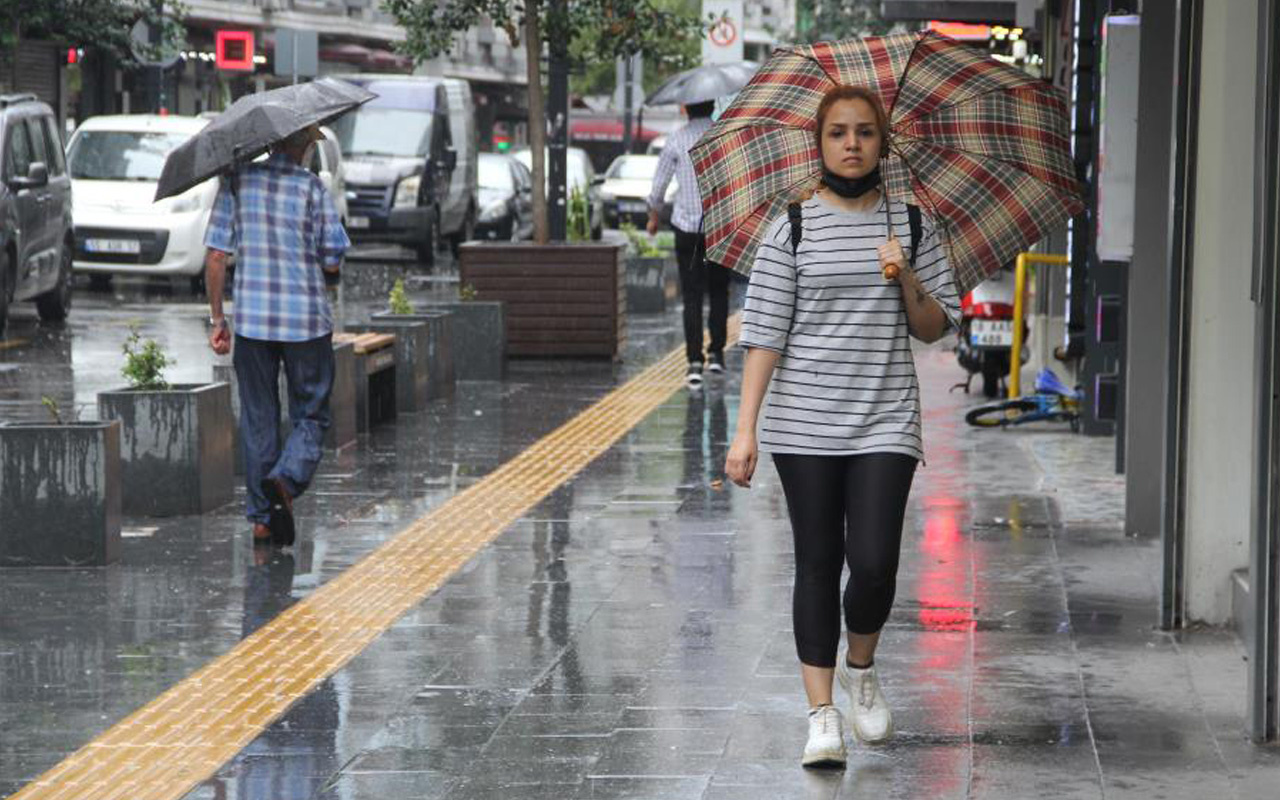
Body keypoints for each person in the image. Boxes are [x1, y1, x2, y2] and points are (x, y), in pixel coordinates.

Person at [724, 85, 961, 769]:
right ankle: (821, 715)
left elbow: (932, 328)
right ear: (819, 144)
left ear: (882, 143)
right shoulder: (791, 226)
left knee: (878, 562)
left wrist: (906, 276)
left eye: (863, 132)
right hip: (804, 425)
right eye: (837, 133)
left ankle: (862, 666)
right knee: (819, 561)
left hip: (885, 417)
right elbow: (764, 335)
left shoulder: (914, 225)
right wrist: (746, 433)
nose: (851, 144)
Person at [204, 125, 350, 547]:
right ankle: (286, 478)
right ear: (303, 148)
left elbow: (216, 255)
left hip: (251, 323)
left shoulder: (238, 180)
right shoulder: (311, 189)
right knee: (312, 414)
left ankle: (262, 520)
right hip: (305, 323)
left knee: (258, 418)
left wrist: (217, 320)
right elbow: (332, 258)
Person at [647, 100, 729, 386]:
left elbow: (659, 186)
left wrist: (653, 216)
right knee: (719, 292)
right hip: (719, 226)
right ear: (711, 105)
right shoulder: (723, 133)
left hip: (687, 228)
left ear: (686, 108)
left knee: (692, 296)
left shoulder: (677, 139)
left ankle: (695, 361)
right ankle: (717, 354)